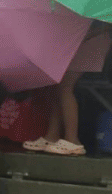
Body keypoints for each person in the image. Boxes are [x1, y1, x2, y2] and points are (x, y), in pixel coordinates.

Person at [24, 22, 112, 156]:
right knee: (56, 86)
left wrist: (83, 34)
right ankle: (51, 136)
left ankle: (72, 140)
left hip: (93, 39)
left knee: (65, 86)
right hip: (83, 37)